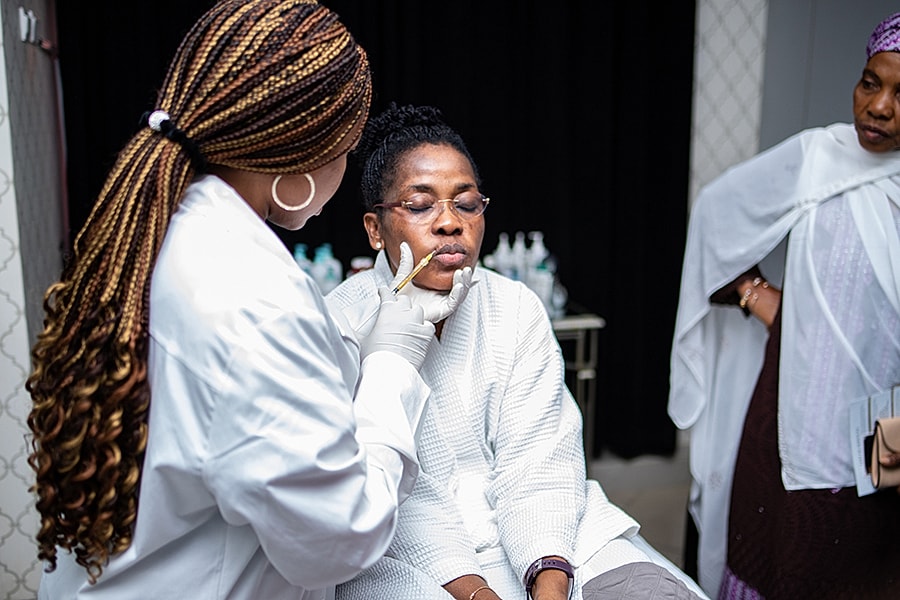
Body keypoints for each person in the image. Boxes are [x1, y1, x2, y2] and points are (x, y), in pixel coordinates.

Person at [24, 2, 445, 598]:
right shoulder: (257, 303)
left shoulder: (157, 229)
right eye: (346, 148)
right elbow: (340, 540)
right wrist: (391, 369)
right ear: (298, 154)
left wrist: (345, 349)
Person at [326, 102, 708, 600]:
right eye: (420, 206)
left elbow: (542, 462)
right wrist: (482, 594)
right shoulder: (340, 323)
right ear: (375, 229)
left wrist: (548, 588)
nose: (449, 223)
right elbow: (389, 495)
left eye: (465, 204)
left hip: (540, 532)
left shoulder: (513, 307)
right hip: (405, 553)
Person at [668, 11, 900, 599]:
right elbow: (716, 218)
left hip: (885, 419)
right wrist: (756, 295)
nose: (879, 107)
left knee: (857, 555)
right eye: (871, 82)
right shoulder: (821, 156)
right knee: (771, 553)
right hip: (787, 407)